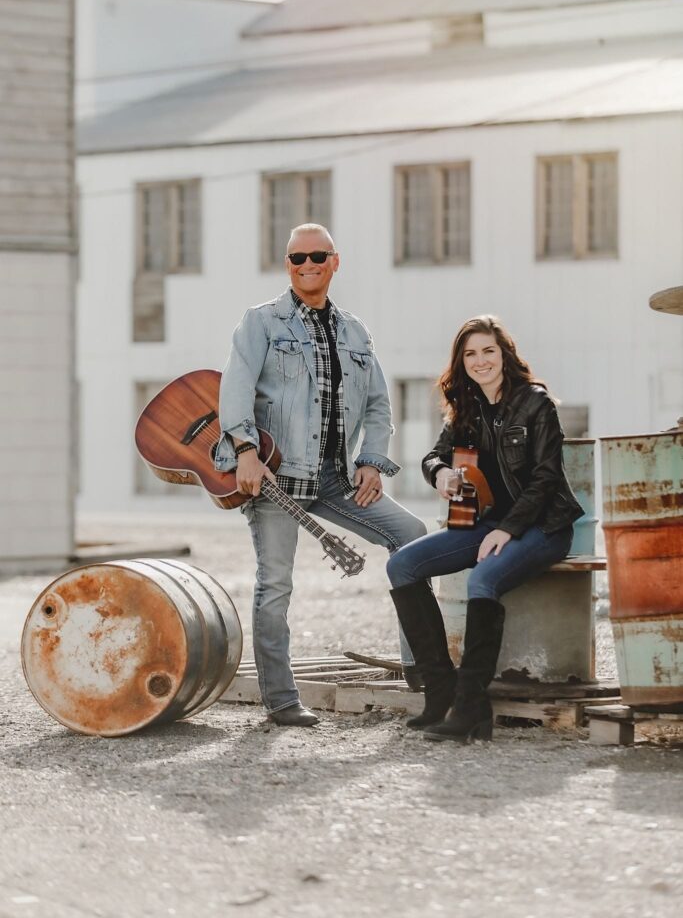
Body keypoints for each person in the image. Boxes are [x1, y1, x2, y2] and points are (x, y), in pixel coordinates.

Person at [215, 223, 427, 726]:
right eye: (297, 258)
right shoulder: (261, 323)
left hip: (335, 479)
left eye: (317, 256)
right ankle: (281, 700)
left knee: (413, 536)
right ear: (287, 265)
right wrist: (244, 450)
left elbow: (378, 405)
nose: (307, 265)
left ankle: (422, 668)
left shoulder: (355, 332)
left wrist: (372, 460)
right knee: (275, 586)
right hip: (277, 478)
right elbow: (235, 389)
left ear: (335, 262)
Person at [386, 315, 583, 742]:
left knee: (483, 579)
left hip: (544, 526)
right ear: (462, 362)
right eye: (471, 354)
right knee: (401, 566)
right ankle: (440, 691)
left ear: (504, 354)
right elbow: (433, 457)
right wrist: (439, 473)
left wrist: (508, 529)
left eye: (488, 351)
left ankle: (472, 707)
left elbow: (546, 478)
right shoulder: (467, 406)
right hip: (486, 523)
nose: (481, 361)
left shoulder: (535, 403)